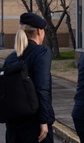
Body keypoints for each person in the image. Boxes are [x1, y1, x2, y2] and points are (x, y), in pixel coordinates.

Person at [4, 12, 55, 143]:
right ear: (39, 31)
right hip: (35, 124)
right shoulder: (41, 52)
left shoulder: (11, 58)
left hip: (14, 125)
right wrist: (44, 120)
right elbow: (42, 87)